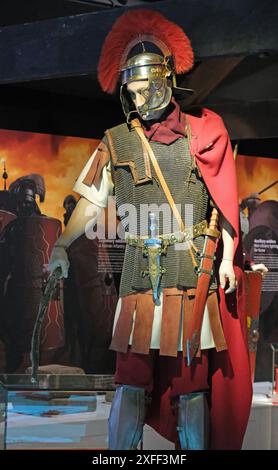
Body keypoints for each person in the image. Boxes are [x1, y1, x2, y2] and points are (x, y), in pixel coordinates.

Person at [49, 9, 252, 450]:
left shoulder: (202, 136)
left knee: (191, 389)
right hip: (140, 279)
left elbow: (224, 202)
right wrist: (62, 243)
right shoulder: (116, 140)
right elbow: (90, 200)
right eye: (133, 92)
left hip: (190, 274)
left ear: (167, 80)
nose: (140, 100)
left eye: (147, 89)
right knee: (131, 385)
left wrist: (229, 259)